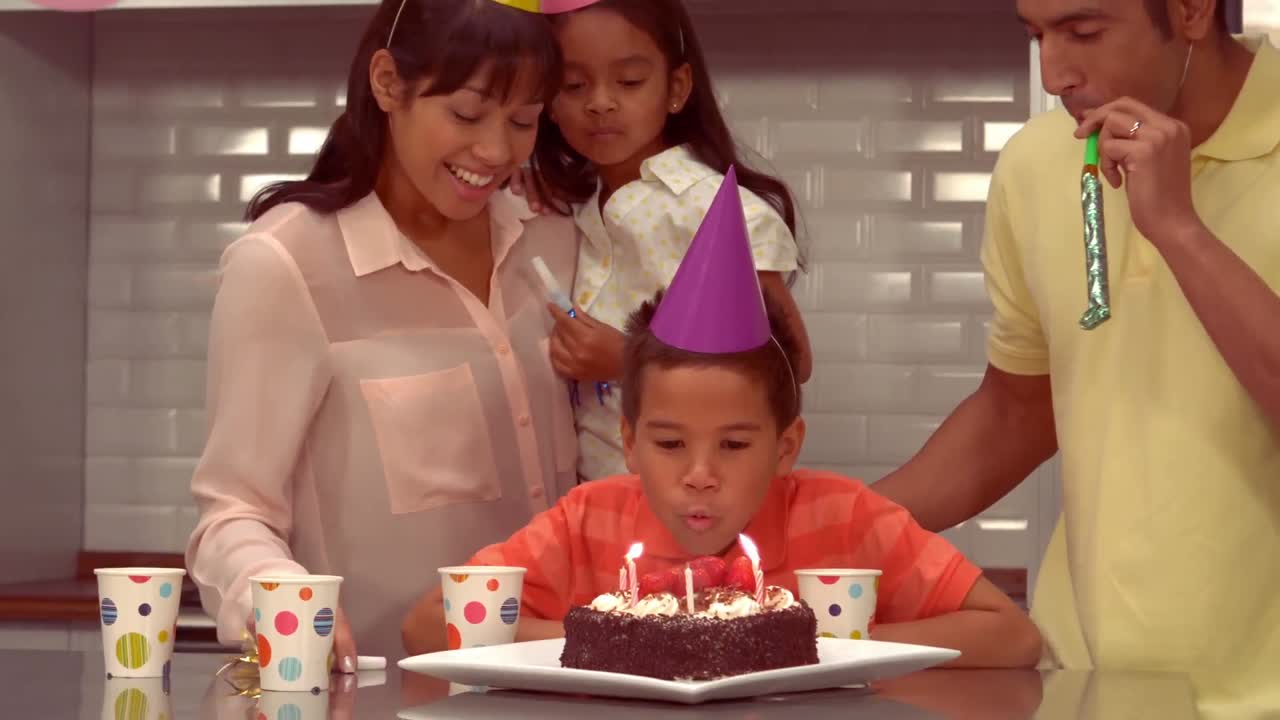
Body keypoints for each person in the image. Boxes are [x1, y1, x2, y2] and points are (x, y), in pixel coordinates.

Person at [403, 170, 1042, 668]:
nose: (700, 475)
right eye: (670, 442)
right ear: (628, 442)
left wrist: (813, 641)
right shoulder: (587, 521)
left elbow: (1011, 637)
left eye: (735, 444)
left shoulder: (845, 519)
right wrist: (619, 639)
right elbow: (429, 622)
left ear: (786, 446)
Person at [871, 0, 1280, 715]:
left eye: (1084, 32)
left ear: (1189, 11)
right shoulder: (1036, 163)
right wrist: (835, 525)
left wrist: (1178, 229)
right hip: (1084, 685)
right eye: (1036, 35)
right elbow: (1017, 408)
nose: (1054, 73)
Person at [185, 0, 578, 661]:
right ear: (388, 83)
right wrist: (275, 594)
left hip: (556, 683)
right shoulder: (287, 265)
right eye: (466, 114)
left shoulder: (553, 243)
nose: (496, 150)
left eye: (522, 121)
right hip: (380, 689)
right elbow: (231, 513)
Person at [512, 0, 814, 482]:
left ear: (676, 89)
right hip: (599, 498)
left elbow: (789, 362)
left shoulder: (714, 208)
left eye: (629, 82)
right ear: (548, 101)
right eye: (574, 85)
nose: (601, 102)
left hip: (701, 501)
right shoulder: (575, 204)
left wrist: (629, 358)